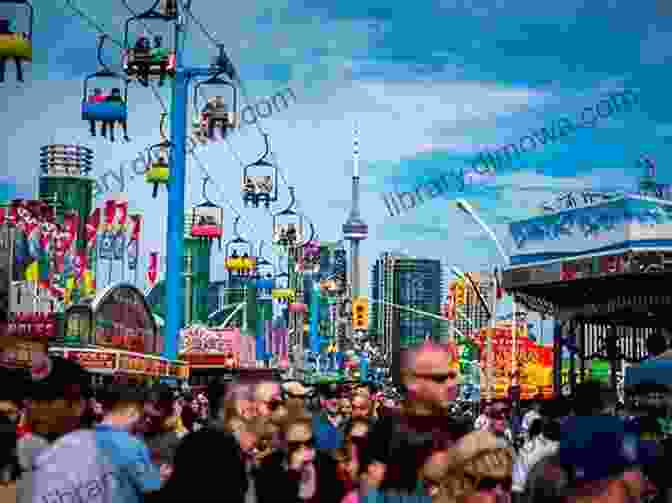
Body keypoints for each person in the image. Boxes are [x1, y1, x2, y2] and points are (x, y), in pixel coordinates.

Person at [0, 18, 24, 82]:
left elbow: (15, 37)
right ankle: (1, 77)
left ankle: (19, 76)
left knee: (17, 59)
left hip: (10, 49)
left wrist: (22, 36)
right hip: (3, 51)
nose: (4, 26)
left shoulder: (9, 33)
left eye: (5, 25)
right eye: (3, 25)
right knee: (1, 61)